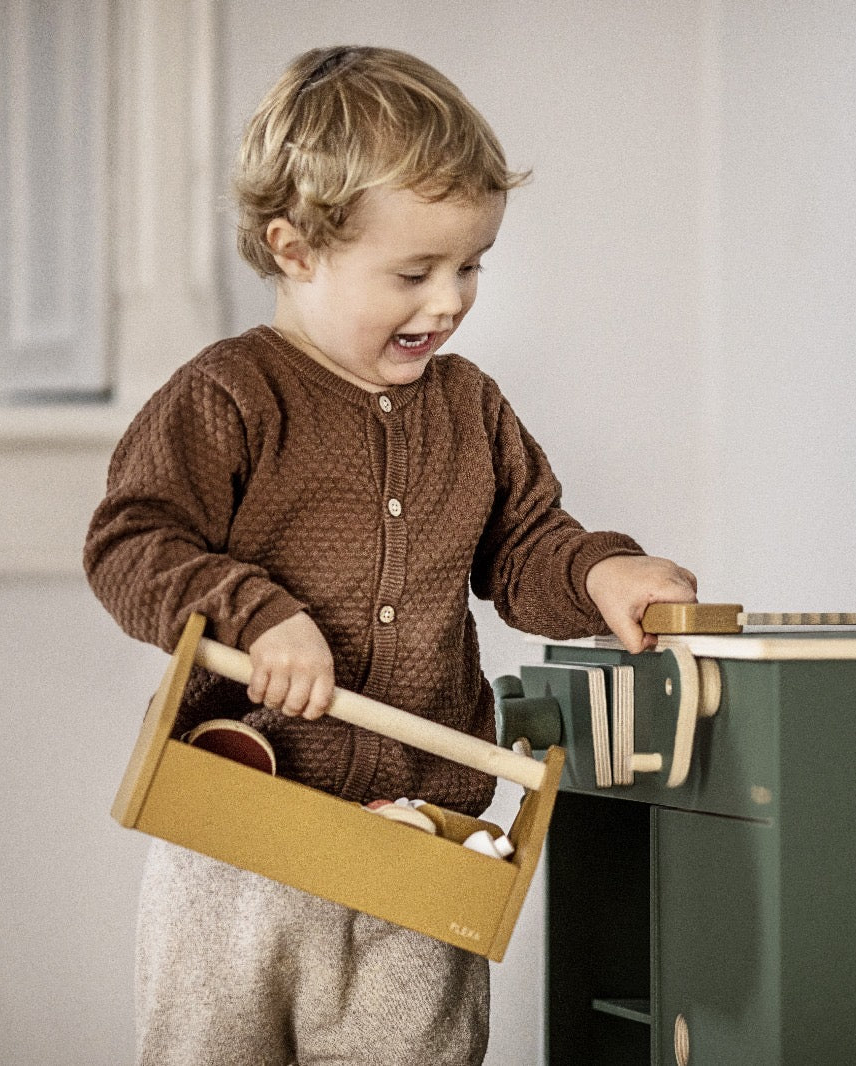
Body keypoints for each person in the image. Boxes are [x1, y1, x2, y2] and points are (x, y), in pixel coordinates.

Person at [84, 44, 697, 1066]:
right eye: (413, 272)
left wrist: (596, 570)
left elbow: (524, 542)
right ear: (294, 250)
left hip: (419, 839)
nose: (449, 301)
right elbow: (129, 540)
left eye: (469, 266)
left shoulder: (471, 408)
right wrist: (251, 610)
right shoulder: (226, 397)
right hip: (238, 833)